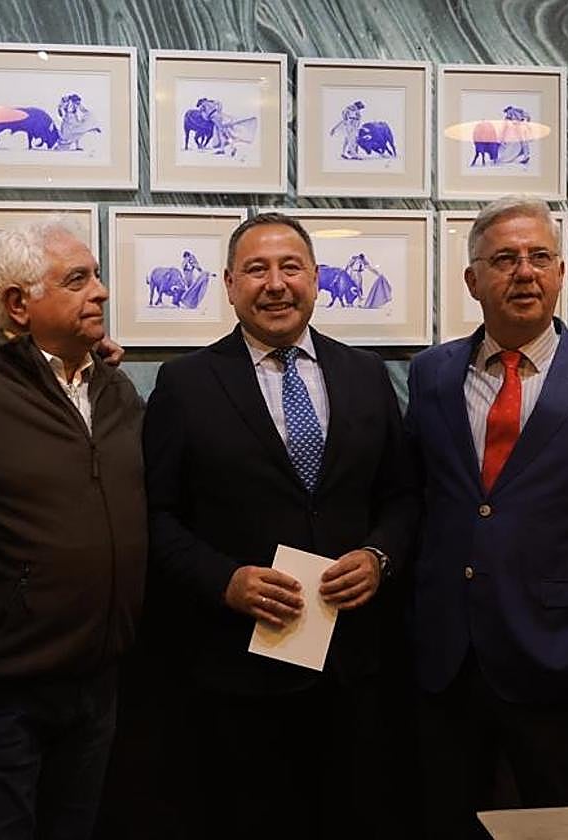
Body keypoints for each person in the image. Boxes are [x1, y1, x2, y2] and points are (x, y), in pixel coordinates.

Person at [404, 196, 568, 839]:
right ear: (472, 281)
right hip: (449, 665)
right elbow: (420, 501)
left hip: (567, 664)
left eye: (538, 257)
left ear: (561, 271)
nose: (524, 272)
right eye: (503, 259)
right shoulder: (432, 374)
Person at [143, 212, 417, 839]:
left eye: (290, 267)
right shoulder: (185, 384)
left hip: (356, 665)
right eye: (256, 269)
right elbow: (157, 517)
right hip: (239, 667)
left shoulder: (366, 375)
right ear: (229, 284)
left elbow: (403, 498)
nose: (275, 283)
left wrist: (379, 557)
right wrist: (224, 581)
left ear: (316, 278)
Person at [0, 218, 146, 840]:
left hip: (101, 680)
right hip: (9, 693)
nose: (102, 292)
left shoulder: (114, 388)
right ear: (18, 304)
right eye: (78, 279)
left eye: (97, 275)